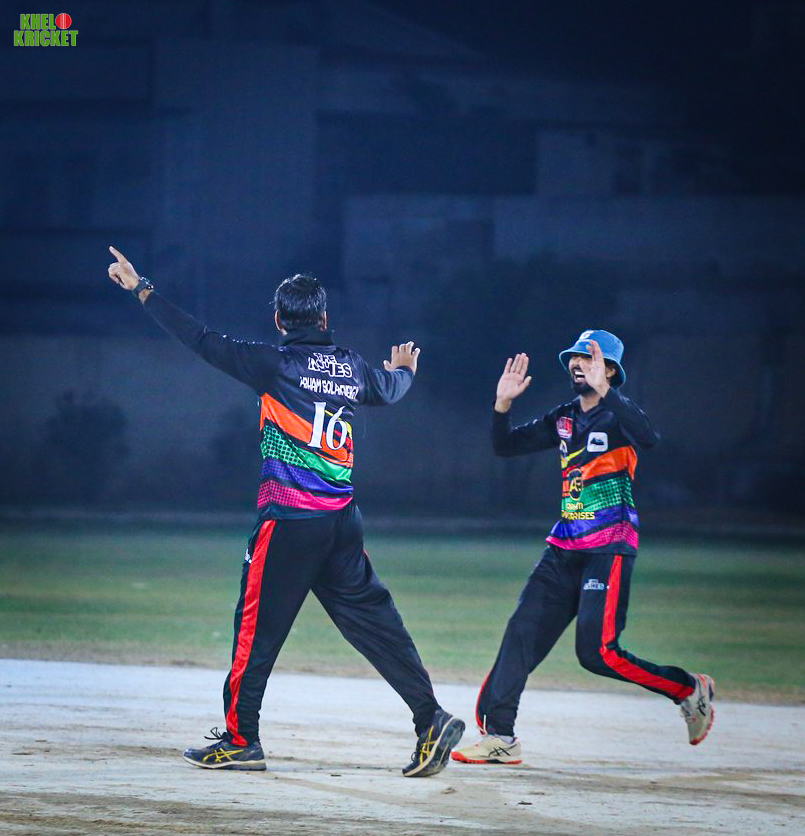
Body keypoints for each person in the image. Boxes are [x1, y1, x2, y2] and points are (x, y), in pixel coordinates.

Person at [106, 246, 464, 778]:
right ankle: (430, 718)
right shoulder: (351, 366)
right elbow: (390, 389)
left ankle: (241, 740)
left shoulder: (273, 364)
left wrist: (142, 289)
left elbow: (200, 339)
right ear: (324, 318)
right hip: (342, 523)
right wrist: (406, 369)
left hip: (290, 524)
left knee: (254, 632)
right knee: (377, 625)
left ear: (279, 321)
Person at [451, 330, 714, 766]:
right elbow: (505, 446)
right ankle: (500, 737)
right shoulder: (565, 417)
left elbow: (649, 436)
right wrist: (502, 405)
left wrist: (607, 392)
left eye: (589, 358)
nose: (577, 363)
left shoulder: (619, 416)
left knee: (598, 654)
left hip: (608, 548)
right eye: (574, 357)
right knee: (520, 634)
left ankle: (687, 688)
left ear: (609, 369)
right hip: (563, 548)